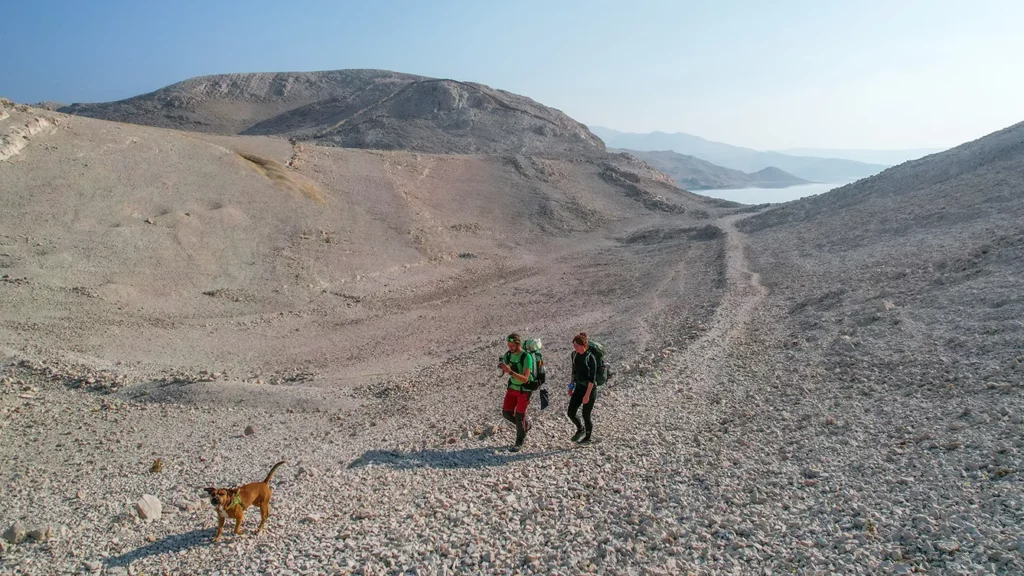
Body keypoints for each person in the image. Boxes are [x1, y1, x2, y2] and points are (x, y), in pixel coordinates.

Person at [499, 333, 534, 452]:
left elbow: (525, 378)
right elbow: (504, 369)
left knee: (519, 416)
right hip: (512, 388)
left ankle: (520, 441)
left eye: (512, 345)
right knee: (506, 413)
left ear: (518, 344)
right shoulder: (508, 355)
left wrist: (510, 372)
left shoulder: (526, 357)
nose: (510, 347)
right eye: (509, 345)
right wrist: (502, 368)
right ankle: (525, 426)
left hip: (524, 390)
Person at [567, 332, 598, 443]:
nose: (575, 347)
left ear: (583, 345)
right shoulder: (574, 355)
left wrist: (587, 395)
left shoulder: (590, 358)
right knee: (571, 412)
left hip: (589, 389)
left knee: (586, 414)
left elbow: (592, 379)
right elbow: (574, 373)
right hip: (578, 388)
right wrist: (571, 387)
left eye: (577, 345)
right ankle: (580, 429)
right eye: (574, 345)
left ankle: (588, 438)